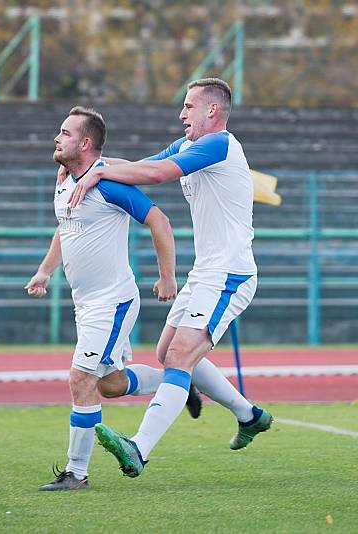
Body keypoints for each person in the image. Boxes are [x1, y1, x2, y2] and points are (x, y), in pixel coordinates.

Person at [67, 78, 272, 478]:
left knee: (180, 356)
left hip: (230, 271)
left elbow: (157, 175)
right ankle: (249, 415)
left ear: (212, 111)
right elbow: (141, 165)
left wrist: (96, 174)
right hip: (207, 270)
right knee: (168, 354)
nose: (182, 114)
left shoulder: (220, 144)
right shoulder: (188, 146)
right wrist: (93, 170)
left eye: (189, 106)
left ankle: (138, 449)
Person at [25, 106, 182, 491]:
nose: (56, 138)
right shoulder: (65, 181)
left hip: (112, 302)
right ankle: (179, 382)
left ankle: (76, 473)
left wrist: (167, 277)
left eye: (64, 132)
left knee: (81, 379)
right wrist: (46, 270)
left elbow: (159, 220)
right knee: (109, 384)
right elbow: (65, 228)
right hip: (87, 304)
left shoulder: (109, 184)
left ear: (86, 142)